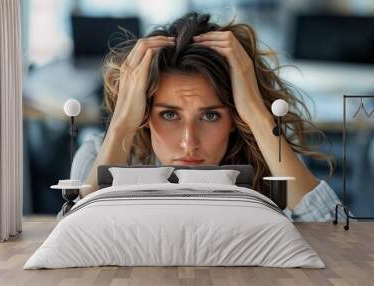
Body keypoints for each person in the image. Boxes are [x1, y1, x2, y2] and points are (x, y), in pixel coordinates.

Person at [70, 12, 345, 222]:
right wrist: (121, 127)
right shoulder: (97, 152)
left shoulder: (274, 159)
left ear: (237, 118)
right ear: (143, 114)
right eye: (169, 114)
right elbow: (73, 237)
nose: (189, 143)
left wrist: (259, 117)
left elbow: (337, 239)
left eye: (211, 115)